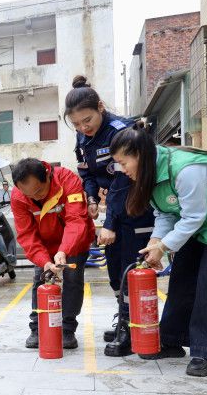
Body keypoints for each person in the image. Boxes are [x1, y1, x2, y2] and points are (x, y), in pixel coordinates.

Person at [110, 124, 207, 377]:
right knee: (183, 276)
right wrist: (156, 243)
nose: (122, 171)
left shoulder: (185, 170)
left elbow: (193, 217)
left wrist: (164, 247)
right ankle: (172, 339)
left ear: (141, 155)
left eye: (124, 163)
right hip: (201, 220)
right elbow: (164, 213)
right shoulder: (152, 173)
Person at [66, 75, 155, 356]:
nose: (83, 128)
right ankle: (125, 319)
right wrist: (91, 198)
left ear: (101, 107)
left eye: (87, 120)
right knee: (115, 269)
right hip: (114, 209)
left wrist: (111, 223)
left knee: (131, 268)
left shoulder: (121, 131)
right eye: (77, 124)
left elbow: (122, 182)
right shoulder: (83, 138)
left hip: (136, 210)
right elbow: (87, 173)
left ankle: (133, 329)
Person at [10, 159, 95, 350]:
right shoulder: (18, 196)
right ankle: (37, 327)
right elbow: (26, 234)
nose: (36, 198)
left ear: (48, 175)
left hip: (74, 241)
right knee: (41, 279)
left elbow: (76, 220)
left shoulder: (67, 180)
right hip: (44, 246)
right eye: (28, 194)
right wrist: (44, 261)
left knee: (72, 279)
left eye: (39, 191)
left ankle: (67, 327)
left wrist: (64, 250)